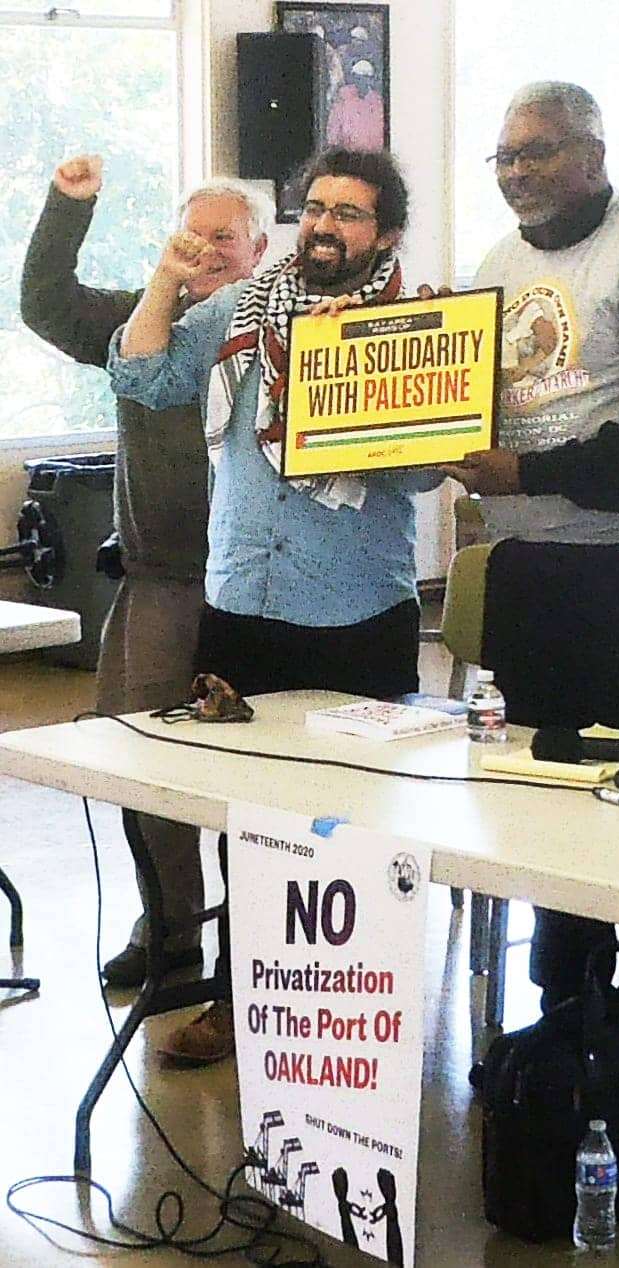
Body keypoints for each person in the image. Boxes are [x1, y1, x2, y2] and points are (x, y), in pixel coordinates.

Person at [109, 147, 443, 1064]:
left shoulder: (410, 327)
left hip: (353, 612)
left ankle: (349, 1016)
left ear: (388, 234)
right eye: (318, 208)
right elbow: (142, 378)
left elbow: (421, 470)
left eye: (351, 213)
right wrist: (166, 281)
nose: (328, 226)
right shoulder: (238, 309)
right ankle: (239, 1000)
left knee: (352, 828)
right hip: (240, 597)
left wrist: (348, 377)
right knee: (247, 821)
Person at [442, 83, 619, 1013]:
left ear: (595, 157)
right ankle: (559, 1032)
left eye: (541, 152)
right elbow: (476, 407)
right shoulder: (495, 261)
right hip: (535, 576)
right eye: (507, 157)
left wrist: (525, 475)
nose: (520, 172)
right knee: (542, 815)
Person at [20, 157, 271, 989]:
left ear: (259, 248)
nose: (205, 250)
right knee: (143, 760)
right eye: (190, 235)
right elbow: (46, 303)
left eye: (224, 238)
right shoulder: (140, 319)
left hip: (257, 586)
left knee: (251, 779)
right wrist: (71, 204)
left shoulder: (281, 324)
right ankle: (168, 930)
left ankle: (258, 947)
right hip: (158, 580)